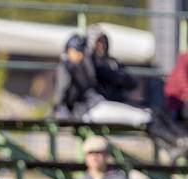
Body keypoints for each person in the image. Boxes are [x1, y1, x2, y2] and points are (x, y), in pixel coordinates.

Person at [54, 33, 188, 161]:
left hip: (97, 106)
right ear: (68, 50)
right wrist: (59, 110)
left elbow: (128, 82)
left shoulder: (97, 63)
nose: (80, 54)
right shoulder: (69, 66)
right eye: (76, 50)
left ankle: (176, 144)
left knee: (150, 113)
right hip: (88, 111)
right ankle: (177, 142)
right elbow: (64, 95)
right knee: (144, 116)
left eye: (82, 50)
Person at [88, 26, 137, 104]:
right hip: (97, 103)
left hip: (116, 102)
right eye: (99, 42)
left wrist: (120, 78)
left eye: (104, 42)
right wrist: (113, 75)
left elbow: (132, 83)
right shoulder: (89, 62)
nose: (102, 45)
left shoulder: (114, 62)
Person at [164, 52, 188, 120]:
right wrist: (186, 91)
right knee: (174, 121)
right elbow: (180, 76)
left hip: (181, 96)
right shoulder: (185, 57)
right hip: (176, 95)